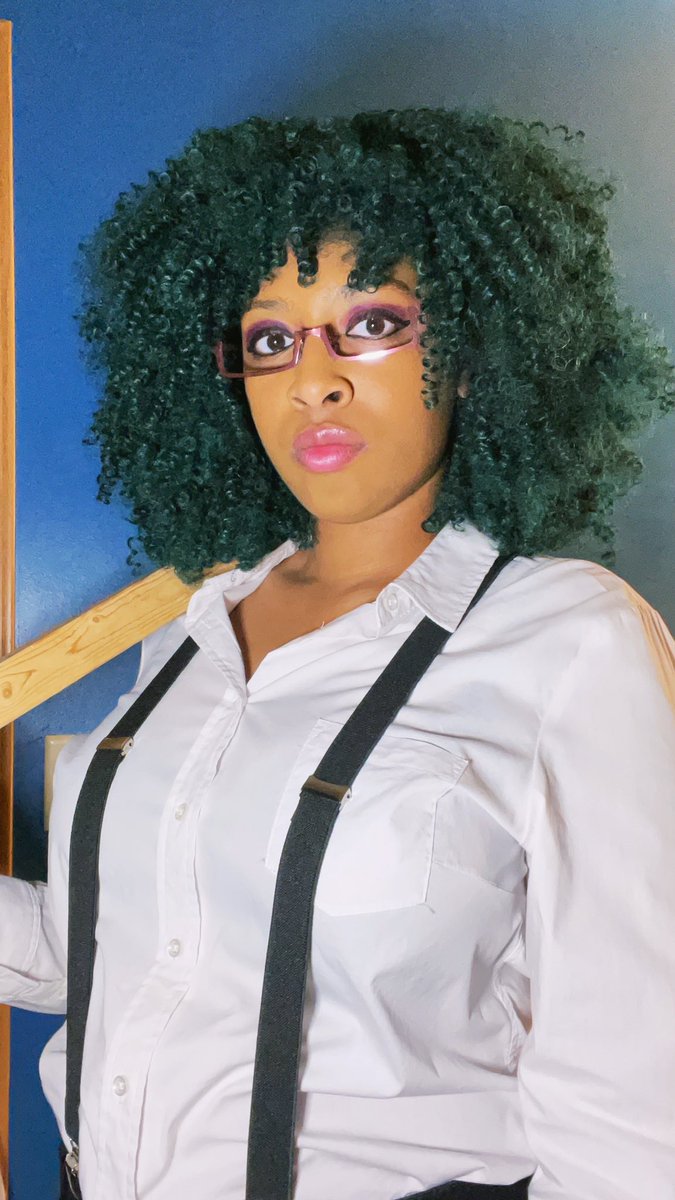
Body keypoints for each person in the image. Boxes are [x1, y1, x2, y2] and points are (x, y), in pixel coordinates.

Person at [1, 107, 674, 1200]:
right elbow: (123, 951)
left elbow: (630, 1113)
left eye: (371, 322)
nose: (312, 380)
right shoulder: (193, 633)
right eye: (272, 340)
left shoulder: (568, 641)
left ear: (473, 353)